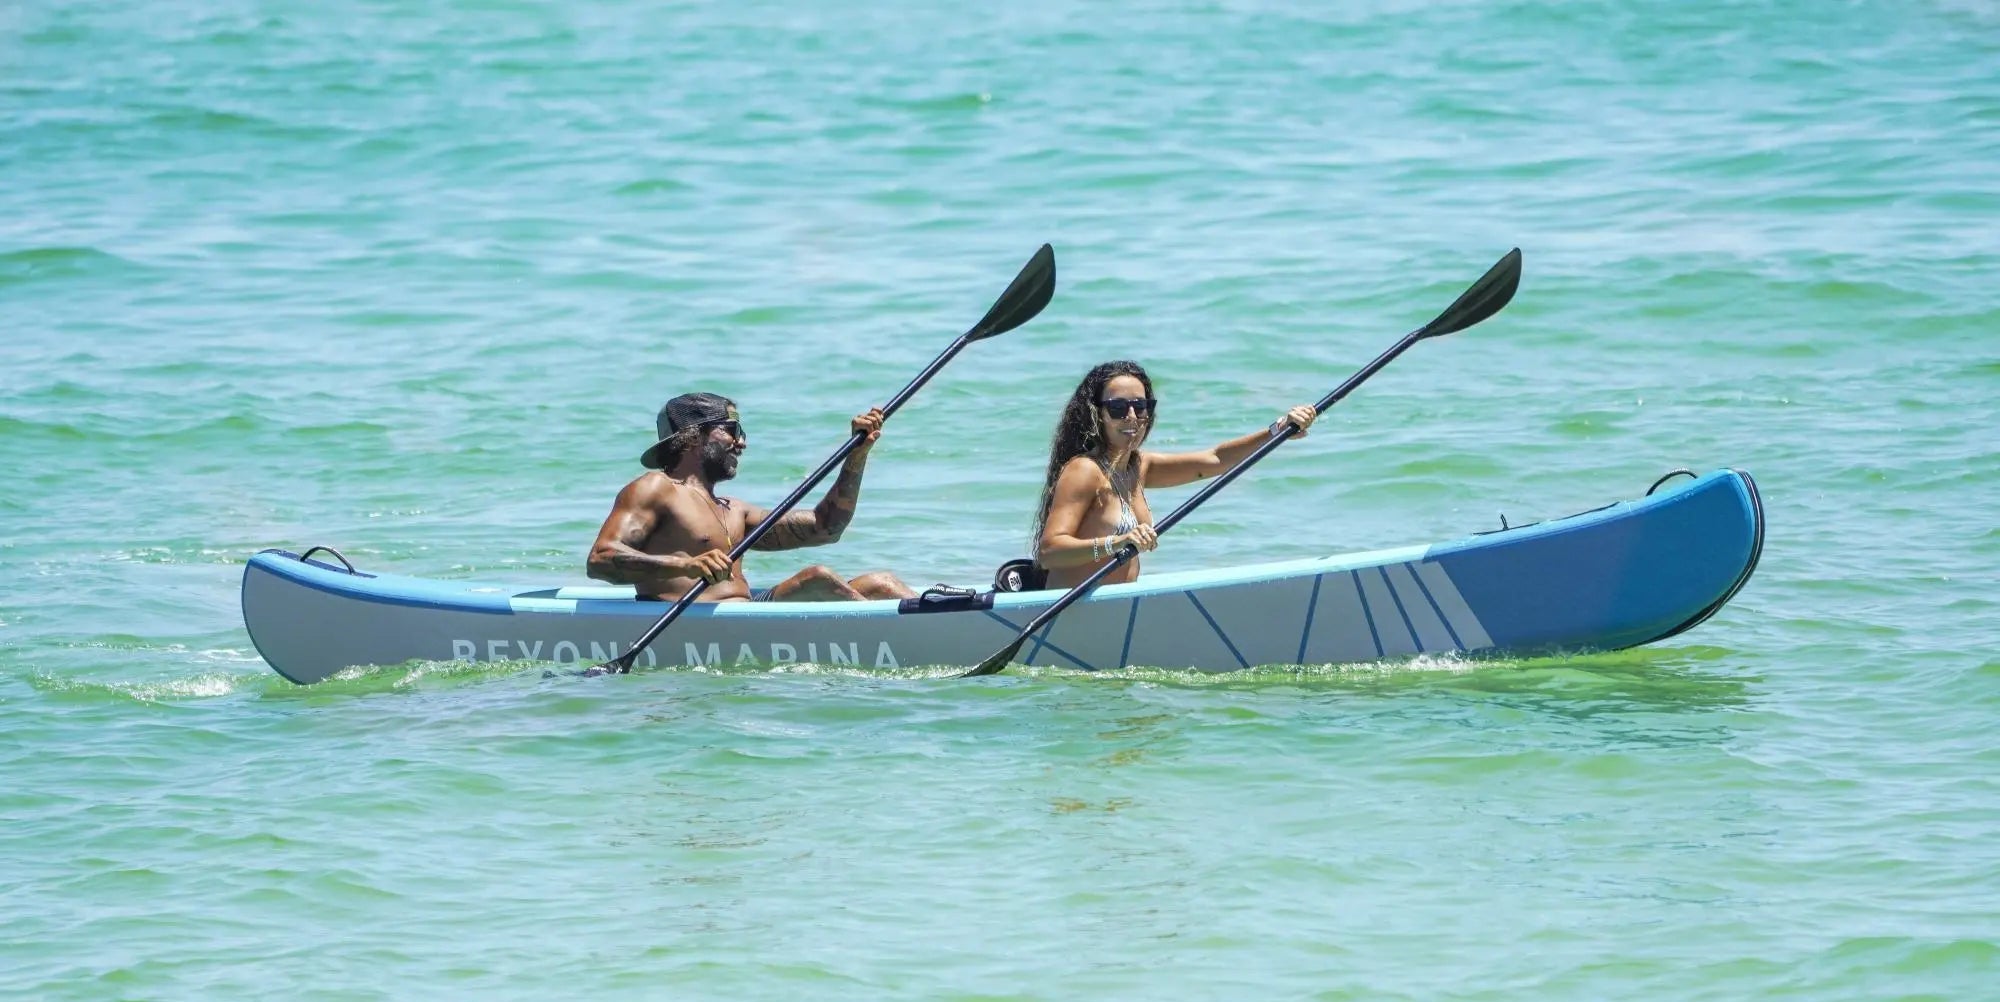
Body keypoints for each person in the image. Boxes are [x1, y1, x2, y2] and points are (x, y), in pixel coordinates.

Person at [588, 392, 915, 602]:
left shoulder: (734, 510)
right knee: (817, 579)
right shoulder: (655, 488)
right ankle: (910, 639)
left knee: (879, 583)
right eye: (732, 431)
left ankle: (952, 625)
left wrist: (856, 456)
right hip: (690, 622)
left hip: (747, 612)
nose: (741, 443)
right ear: (693, 438)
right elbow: (601, 560)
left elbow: (825, 528)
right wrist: (684, 565)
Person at [1032, 361, 1318, 590]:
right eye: (1118, 408)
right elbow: (1049, 551)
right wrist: (1117, 543)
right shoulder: (1084, 470)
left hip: (1117, 608)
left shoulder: (1137, 466)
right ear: (1097, 414)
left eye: (1140, 406)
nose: (1132, 416)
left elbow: (1215, 459)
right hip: (1072, 613)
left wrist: (1276, 432)